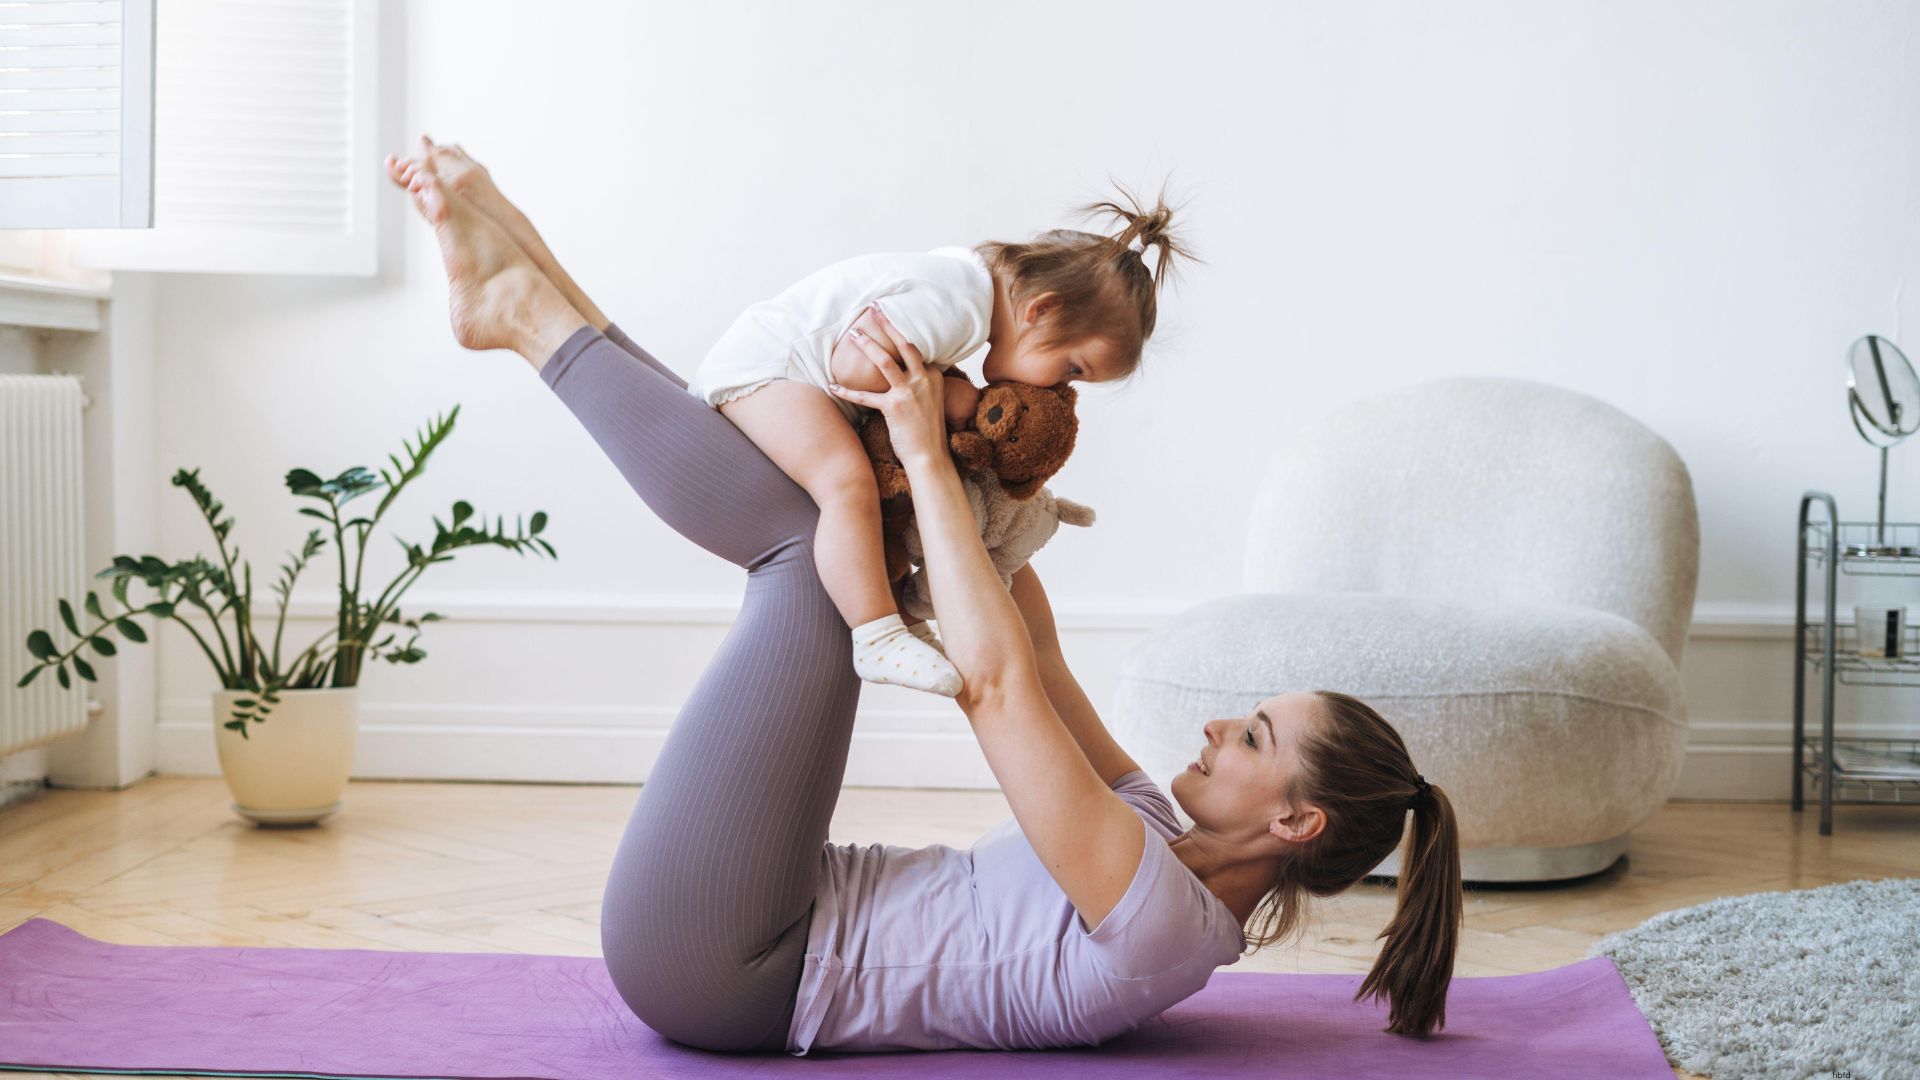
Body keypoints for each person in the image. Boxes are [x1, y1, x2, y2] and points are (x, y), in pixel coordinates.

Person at [386, 137, 1464, 1055]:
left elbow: (992, 688)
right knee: (822, 532)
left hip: (730, 968)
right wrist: (991, 478)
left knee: (813, 567)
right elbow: (1029, 647)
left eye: (1253, 738)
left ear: (1295, 819)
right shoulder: (1147, 826)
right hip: (766, 904)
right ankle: (531, 280)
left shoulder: (1158, 922)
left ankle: (533, 321)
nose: (1220, 726)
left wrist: (920, 448)